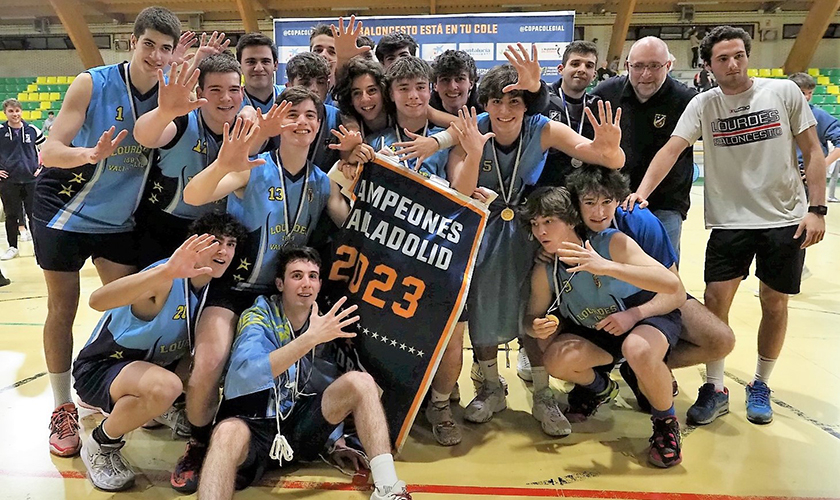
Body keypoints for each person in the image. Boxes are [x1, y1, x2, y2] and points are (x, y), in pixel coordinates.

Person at [627, 25, 826, 425]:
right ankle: (715, 387)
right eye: (722, 58)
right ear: (708, 66)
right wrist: (642, 193)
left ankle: (761, 383)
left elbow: (812, 149)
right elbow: (671, 149)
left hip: (784, 218)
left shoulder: (784, 92)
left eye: (738, 56)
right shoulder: (704, 104)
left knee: (774, 302)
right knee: (716, 302)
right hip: (730, 221)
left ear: (747, 57)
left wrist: (817, 208)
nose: (732, 64)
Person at [173, 87, 349, 493]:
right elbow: (194, 194)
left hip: (282, 294)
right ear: (278, 121)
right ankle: (199, 444)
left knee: (297, 366)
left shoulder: (322, 183)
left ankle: (277, 437)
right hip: (236, 287)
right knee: (209, 362)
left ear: (319, 126)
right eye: (292, 114)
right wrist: (225, 162)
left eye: (310, 115)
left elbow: (356, 223)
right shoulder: (253, 167)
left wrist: (362, 164)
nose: (302, 122)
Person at [445, 43, 624, 426]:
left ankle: (543, 395)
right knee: (482, 310)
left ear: (527, 105)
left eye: (515, 101)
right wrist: (474, 153)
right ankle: (491, 388)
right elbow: (460, 191)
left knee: (535, 311)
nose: (505, 110)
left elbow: (602, 156)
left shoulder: (542, 128)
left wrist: (610, 149)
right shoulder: (470, 129)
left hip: (531, 229)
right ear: (485, 104)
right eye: (496, 101)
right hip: (482, 230)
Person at [35, 6, 182, 458]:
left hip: (119, 220)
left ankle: (110, 385)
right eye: (149, 44)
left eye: (165, 48)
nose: (156, 55)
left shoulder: (171, 95)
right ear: (132, 42)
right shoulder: (91, 83)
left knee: (131, 308)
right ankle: (62, 406)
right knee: (63, 308)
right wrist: (87, 155)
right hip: (64, 210)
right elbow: (50, 151)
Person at [197, 246, 412, 500]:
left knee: (361, 382)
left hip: (297, 428)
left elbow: (324, 381)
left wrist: (334, 439)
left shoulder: (321, 320)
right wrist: (309, 340)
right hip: (252, 427)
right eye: (296, 276)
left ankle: (388, 488)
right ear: (280, 283)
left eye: (313, 276)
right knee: (226, 433)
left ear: (320, 284)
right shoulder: (258, 316)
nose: (306, 283)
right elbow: (245, 376)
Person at [72, 213, 244, 491]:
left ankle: (159, 410)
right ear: (193, 244)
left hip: (151, 364)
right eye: (215, 242)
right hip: (102, 366)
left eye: (231, 244)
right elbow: (97, 300)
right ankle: (100, 444)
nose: (224, 251)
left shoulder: (210, 288)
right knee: (166, 387)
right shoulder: (166, 276)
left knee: (209, 360)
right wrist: (166, 272)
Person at [522, 186, 685, 467]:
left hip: (644, 316)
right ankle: (600, 388)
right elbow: (530, 319)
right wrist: (534, 327)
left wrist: (605, 267)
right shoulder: (546, 268)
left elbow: (672, 286)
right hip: (602, 330)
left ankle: (666, 424)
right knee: (556, 359)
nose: (541, 231)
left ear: (571, 220)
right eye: (535, 224)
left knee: (638, 348)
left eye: (549, 221)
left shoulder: (610, 242)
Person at [559, 166, 735, 425]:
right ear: (577, 203)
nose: (599, 212)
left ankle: (640, 366)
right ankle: (594, 381)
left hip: (645, 301)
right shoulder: (567, 226)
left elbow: (675, 290)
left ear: (619, 199)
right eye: (589, 203)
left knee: (721, 340)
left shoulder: (639, 221)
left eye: (607, 202)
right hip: (596, 313)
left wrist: (635, 314)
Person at [133, 53, 243, 268]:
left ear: (242, 92)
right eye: (216, 90)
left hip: (219, 234)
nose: (226, 98)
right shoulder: (182, 121)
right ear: (200, 93)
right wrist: (163, 112)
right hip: (165, 229)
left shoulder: (247, 128)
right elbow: (145, 136)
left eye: (233, 89)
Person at [592, 37, 697, 260]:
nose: (646, 74)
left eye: (654, 66)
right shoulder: (606, 94)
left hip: (665, 203)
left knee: (663, 270)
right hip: (614, 201)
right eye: (638, 66)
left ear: (668, 65)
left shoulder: (686, 100)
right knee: (615, 267)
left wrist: (641, 194)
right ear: (627, 66)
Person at [537, 40, 602, 188]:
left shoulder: (598, 107)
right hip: (546, 190)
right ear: (561, 69)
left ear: (594, 75)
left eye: (589, 66)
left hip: (584, 191)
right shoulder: (543, 100)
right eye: (575, 64)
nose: (582, 69)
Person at [0, 98, 44, 260]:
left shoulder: (32, 130)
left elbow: (45, 149)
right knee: (11, 215)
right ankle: (13, 247)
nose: (15, 114)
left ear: (21, 111)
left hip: (31, 180)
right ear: (5, 113)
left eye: (17, 111)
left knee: (34, 215)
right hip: (8, 181)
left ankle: (38, 249)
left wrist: (41, 168)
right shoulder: (0, 130)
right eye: (11, 111)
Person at [787, 73, 840, 200]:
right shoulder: (778, 114)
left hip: (803, 172)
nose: (807, 97)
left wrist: (821, 166)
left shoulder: (819, 115)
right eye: (802, 93)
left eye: (810, 93)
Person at [237, 33, 285, 114]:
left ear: (275, 65)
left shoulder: (290, 96)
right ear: (239, 66)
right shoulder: (232, 102)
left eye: (265, 61)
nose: (259, 68)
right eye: (251, 62)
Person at [430, 50, 482, 115]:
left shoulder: (486, 108)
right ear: (435, 85)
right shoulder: (423, 108)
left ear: (471, 83)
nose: (452, 87)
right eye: (445, 79)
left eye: (460, 79)